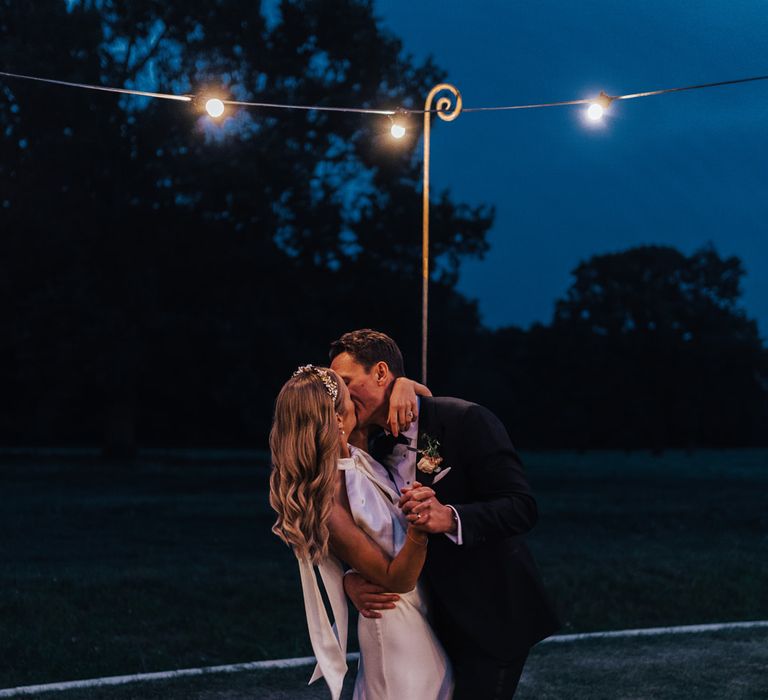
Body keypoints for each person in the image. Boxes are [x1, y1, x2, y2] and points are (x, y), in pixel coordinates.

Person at [330, 329, 560, 699]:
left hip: (490, 616)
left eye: (345, 382)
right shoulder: (375, 442)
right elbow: (362, 522)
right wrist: (350, 579)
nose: (339, 394)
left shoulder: (466, 420)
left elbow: (521, 506)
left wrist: (450, 517)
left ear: (381, 373)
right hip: (426, 618)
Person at [269, 364, 454, 700]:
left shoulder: (357, 452)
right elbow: (397, 579)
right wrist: (420, 527)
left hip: (423, 617)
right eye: (348, 393)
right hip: (393, 624)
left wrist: (403, 385)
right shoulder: (328, 502)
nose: (356, 398)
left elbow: (427, 405)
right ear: (337, 418)